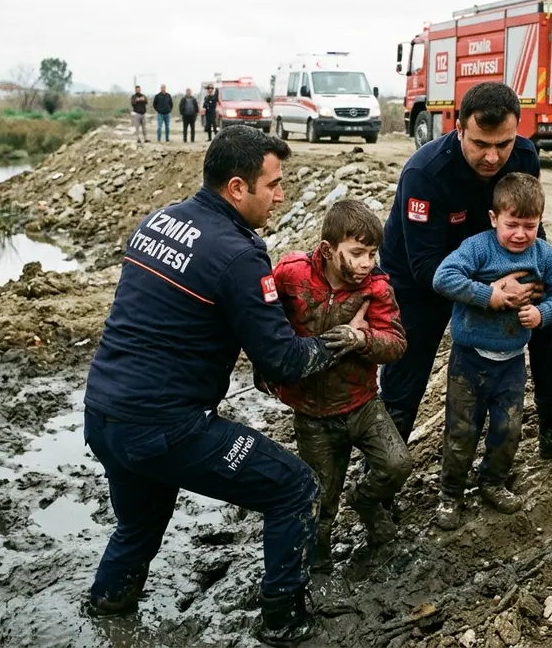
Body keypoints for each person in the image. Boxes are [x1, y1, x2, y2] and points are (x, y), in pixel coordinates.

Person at [81, 125, 364, 646]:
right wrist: (342, 340)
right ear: (237, 188)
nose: (282, 195)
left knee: (139, 523)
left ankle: (108, 606)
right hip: (167, 427)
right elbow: (281, 359)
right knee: (293, 487)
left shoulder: (159, 220)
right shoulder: (237, 253)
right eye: (273, 184)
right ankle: (283, 618)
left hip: (102, 415)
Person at [379, 81, 552, 485]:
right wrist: (486, 294)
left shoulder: (525, 155)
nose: (492, 157)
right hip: (422, 276)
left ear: (517, 132)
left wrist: (530, 287)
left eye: (503, 144)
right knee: (406, 369)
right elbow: (423, 265)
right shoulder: (425, 173)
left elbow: (529, 224)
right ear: (458, 130)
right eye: (480, 144)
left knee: (546, 315)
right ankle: (384, 471)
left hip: (500, 262)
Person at [258, 198, 412, 570]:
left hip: (362, 403)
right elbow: (263, 317)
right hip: (312, 414)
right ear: (327, 250)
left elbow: (397, 343)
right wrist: (266, 364)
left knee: (397, 465)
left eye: (372, 253)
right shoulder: (292, 274)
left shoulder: (375, 290)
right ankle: (317, 565)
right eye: (357, 253)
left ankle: (365, 501)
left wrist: (363, 341)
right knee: (322, 499)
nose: (366, 264)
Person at [430, 172, 552, 529]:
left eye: (530, 225)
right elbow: (443, 277)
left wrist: (542, 313)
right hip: (468, 361)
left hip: (511, 363)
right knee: (462, 430)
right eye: (512, 224)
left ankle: (493, 482)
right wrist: (488, 295)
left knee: (508, 430)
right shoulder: (477, 247)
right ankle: (451, 493)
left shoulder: (543, 254)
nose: (520, 234)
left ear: (540, 222)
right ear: (494, 218)